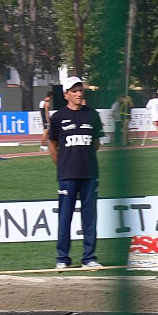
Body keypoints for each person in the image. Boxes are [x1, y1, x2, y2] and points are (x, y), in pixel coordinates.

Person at [48, 77, 104, 269]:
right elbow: (52, 145)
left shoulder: (92, 115)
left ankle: (89, 258)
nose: (79, 94)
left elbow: (96, 143)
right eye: (74, 91)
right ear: (66, 95)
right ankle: (62, 259)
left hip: (90, 174)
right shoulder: (57, 117)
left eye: (80, 90)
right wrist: (63, 166)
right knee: (65, 218)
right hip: (67, 176)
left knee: (90, 218)